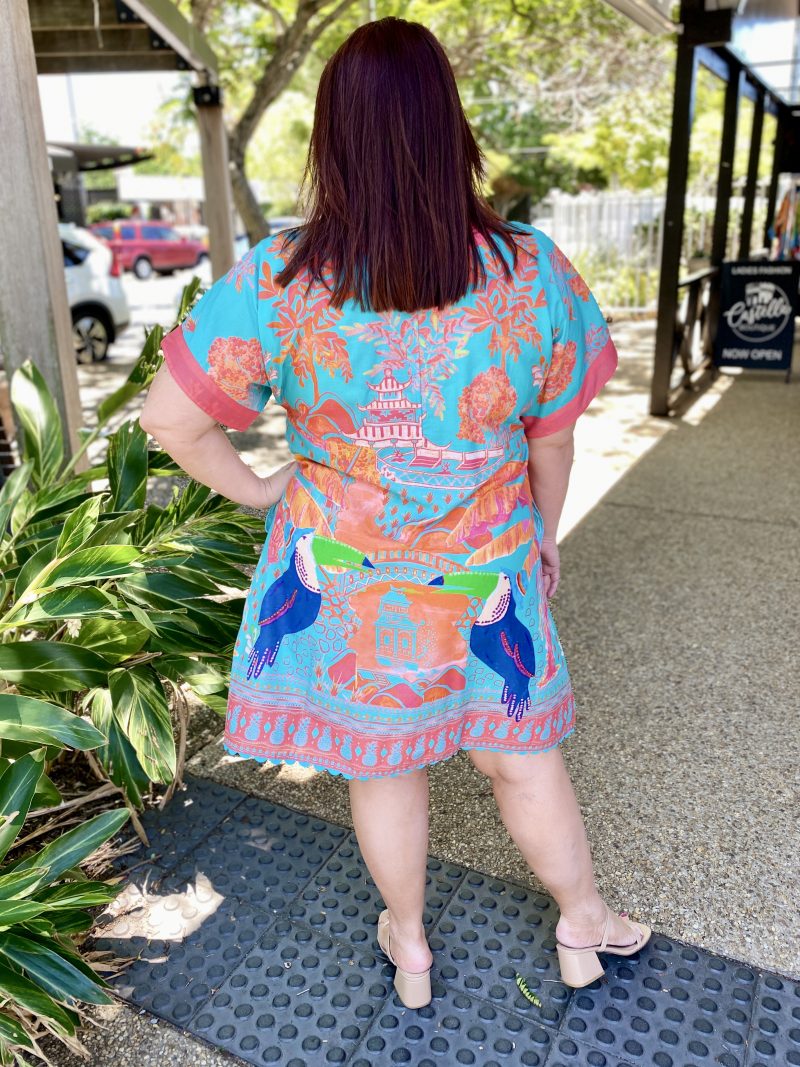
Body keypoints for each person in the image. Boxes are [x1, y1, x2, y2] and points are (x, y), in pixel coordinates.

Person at [139, 15, 651, 1009]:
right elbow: (550, 440)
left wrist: (266, 488)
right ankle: (581, 921)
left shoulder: (282, 278)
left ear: (331, 139)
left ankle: (410, 945)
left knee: (384, 765)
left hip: (351, 575)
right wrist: (542, 537)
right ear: (449, 126)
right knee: (520, 755)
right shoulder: (531, 268)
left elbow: (170, 419)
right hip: (487, 564)